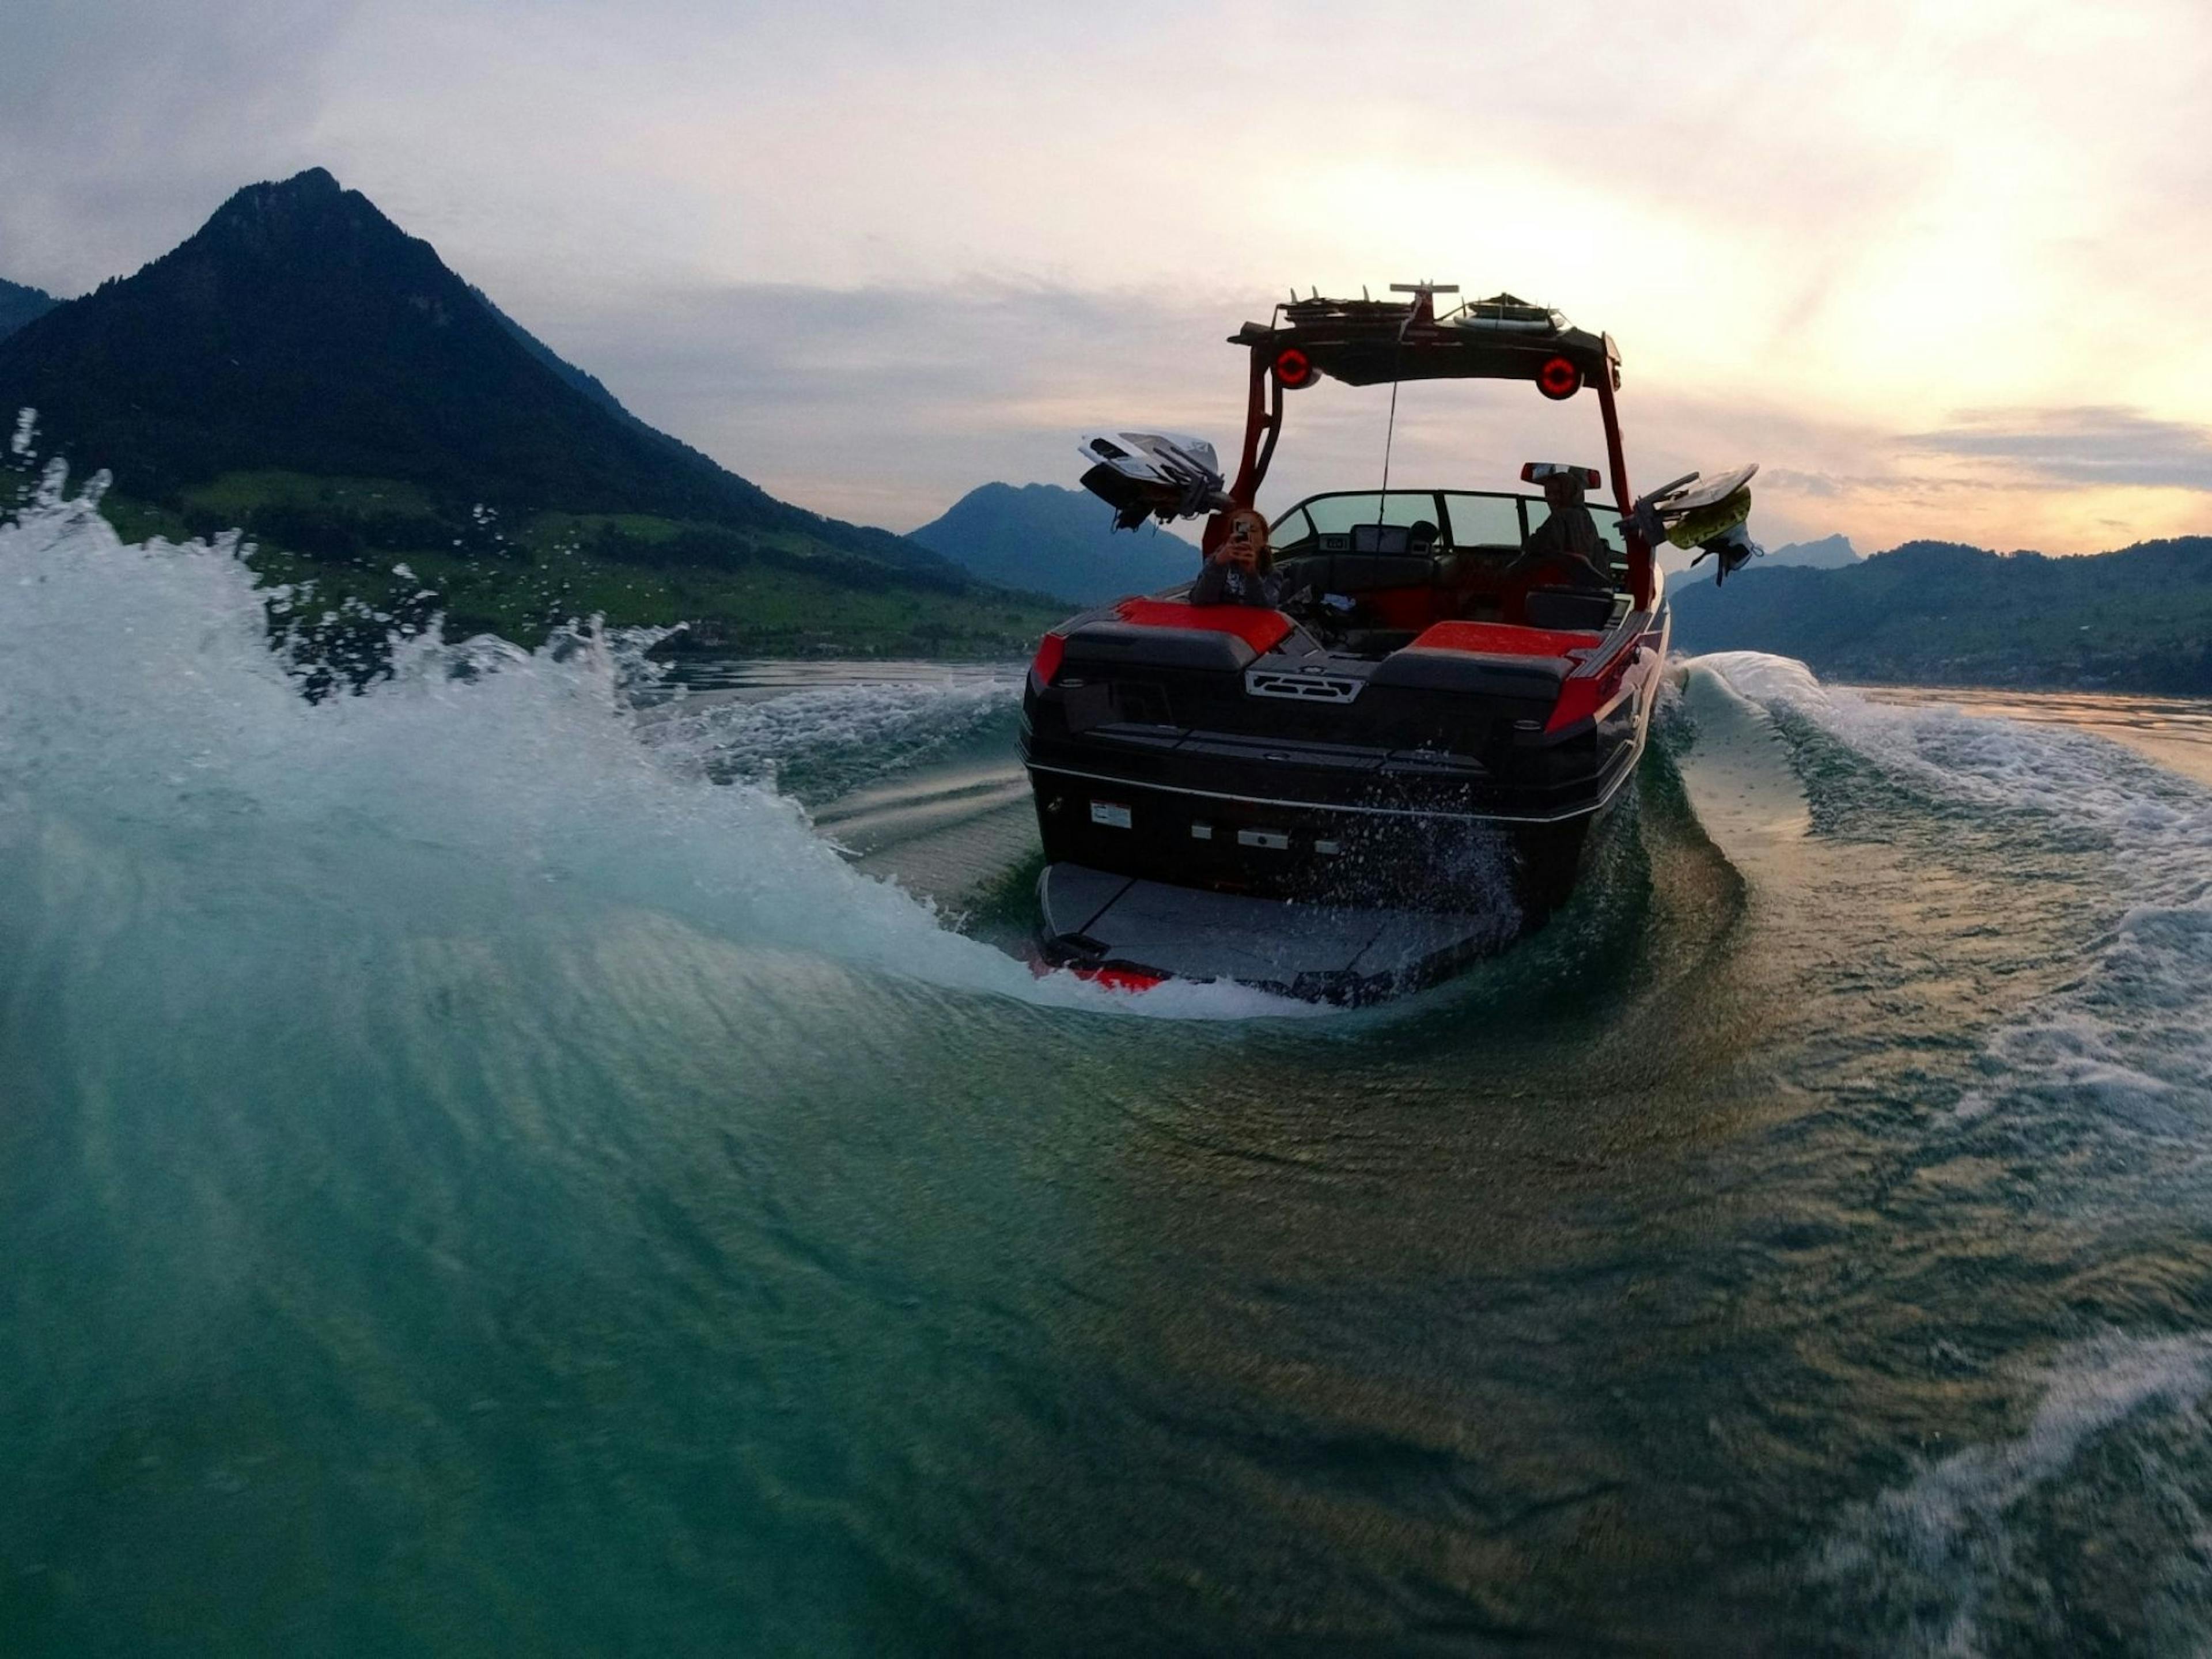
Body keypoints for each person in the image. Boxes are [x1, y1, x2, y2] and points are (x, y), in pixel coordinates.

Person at [1516, 470, 1613, 590]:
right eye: (1548, 493)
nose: (1551, 498)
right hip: (1593, 592)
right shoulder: (1585, 516)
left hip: (1564, 592)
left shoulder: (1560, 518)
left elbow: (1532, 546)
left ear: (1568, 493)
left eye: (1557, 493)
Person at [1190, 507, 1283, 607]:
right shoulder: (1214, 563)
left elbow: (1266, 609)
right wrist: (1218, 564)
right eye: (1241, 529)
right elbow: (1199, 600)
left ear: (1264, 539)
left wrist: (1252, 574)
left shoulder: (1272, 573)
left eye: (1253, 530)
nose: (1248, 535)